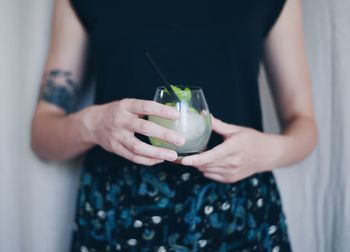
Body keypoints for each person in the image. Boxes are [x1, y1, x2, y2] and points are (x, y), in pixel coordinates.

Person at [31, 0, 318, 251]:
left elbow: (303, 124)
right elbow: (42, 136)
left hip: (235, 212)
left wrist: (268, 151)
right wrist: (91, 124)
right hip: (118, 213)